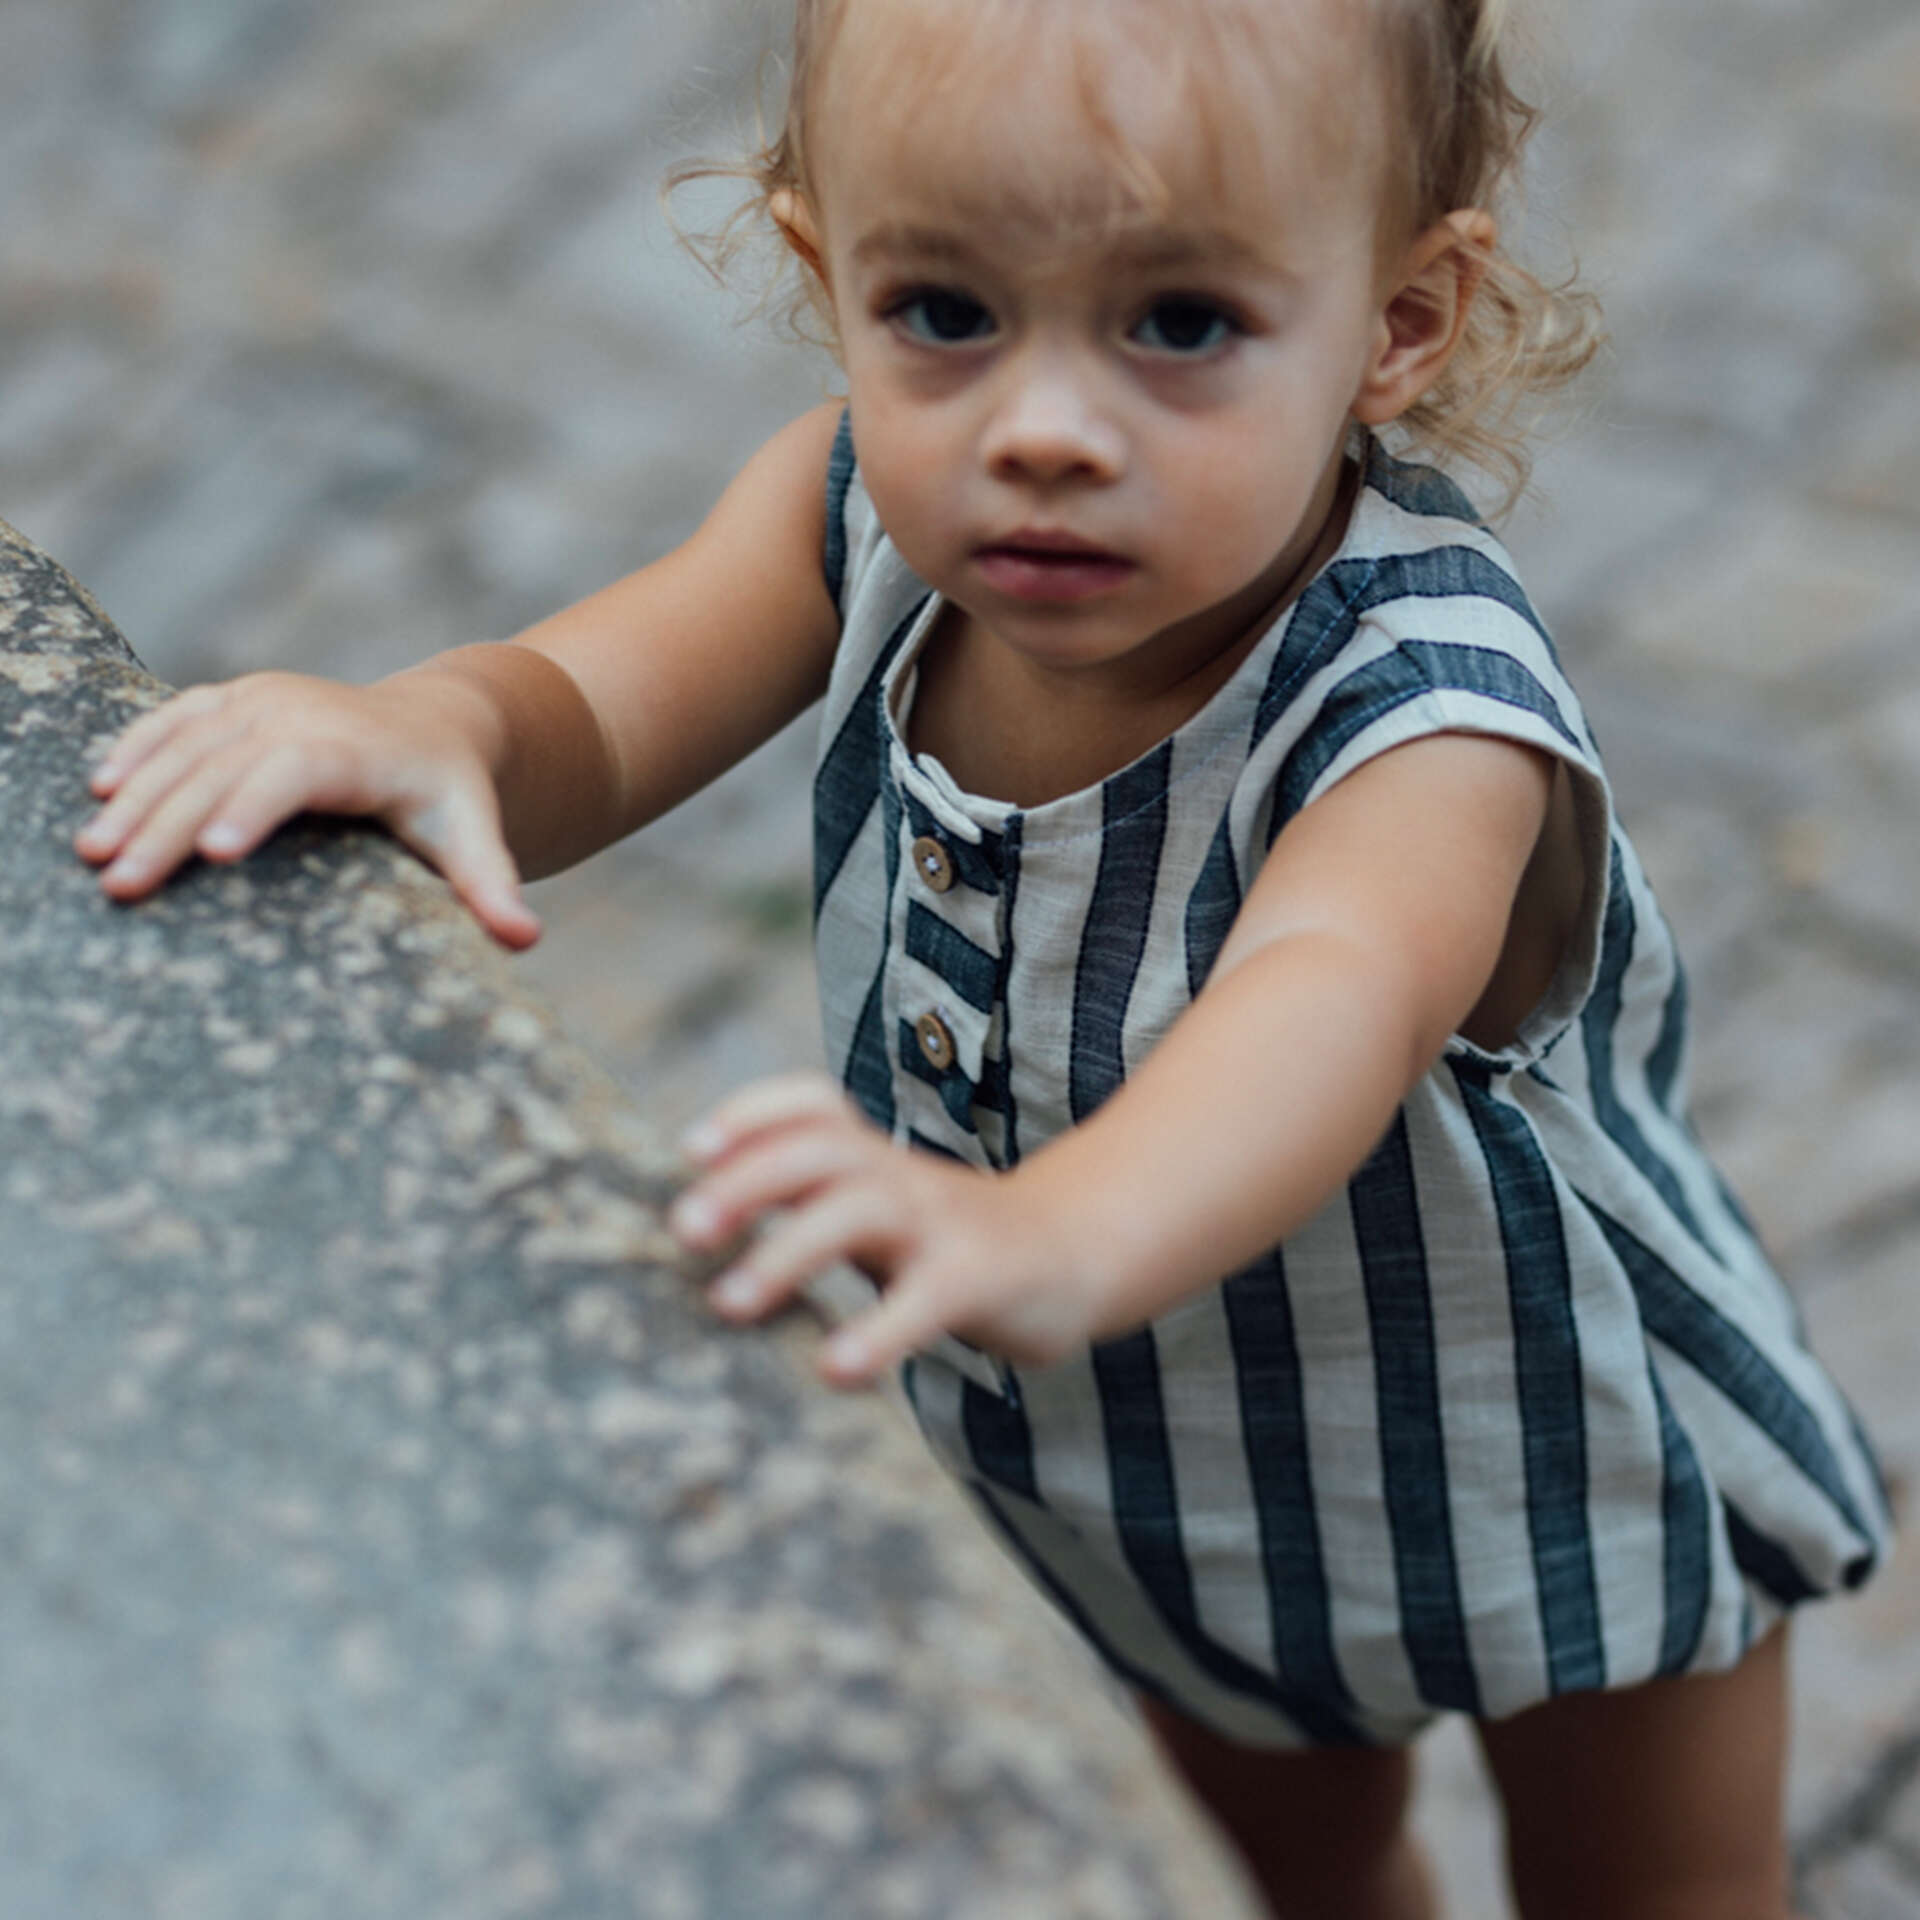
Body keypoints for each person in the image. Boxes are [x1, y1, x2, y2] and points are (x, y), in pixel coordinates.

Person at [75, 0, 1887, 1912]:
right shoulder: (852, 511)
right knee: (1273, 1873)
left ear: (1396, 324)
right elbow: (597, 709)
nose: (1039, 431)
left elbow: (1323, 1002)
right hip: (1180, 1470)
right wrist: (439, 723)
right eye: (945, 309)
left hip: (1550, 1451)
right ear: (823, 266)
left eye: (1179, 324)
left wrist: (1043, 1239)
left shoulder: (1424, 725)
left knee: (1654, 1892)